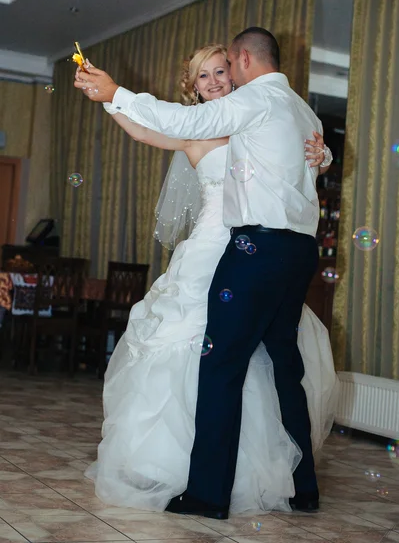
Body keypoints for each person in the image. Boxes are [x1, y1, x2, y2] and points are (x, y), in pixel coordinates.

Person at [75, 33, 339, 518]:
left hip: (251, 248)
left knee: (221, 367)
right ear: (194, 84)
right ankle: (301, 488)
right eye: (206, 74)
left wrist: (115, 91)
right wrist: (106, 99)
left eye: (224, 69)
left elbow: (304, 162)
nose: (221, 80)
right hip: (287, 250)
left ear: (240, 62)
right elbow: (154, 130)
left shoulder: (252, 105)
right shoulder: (292, 107)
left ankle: (210, 493)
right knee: (280, 367)